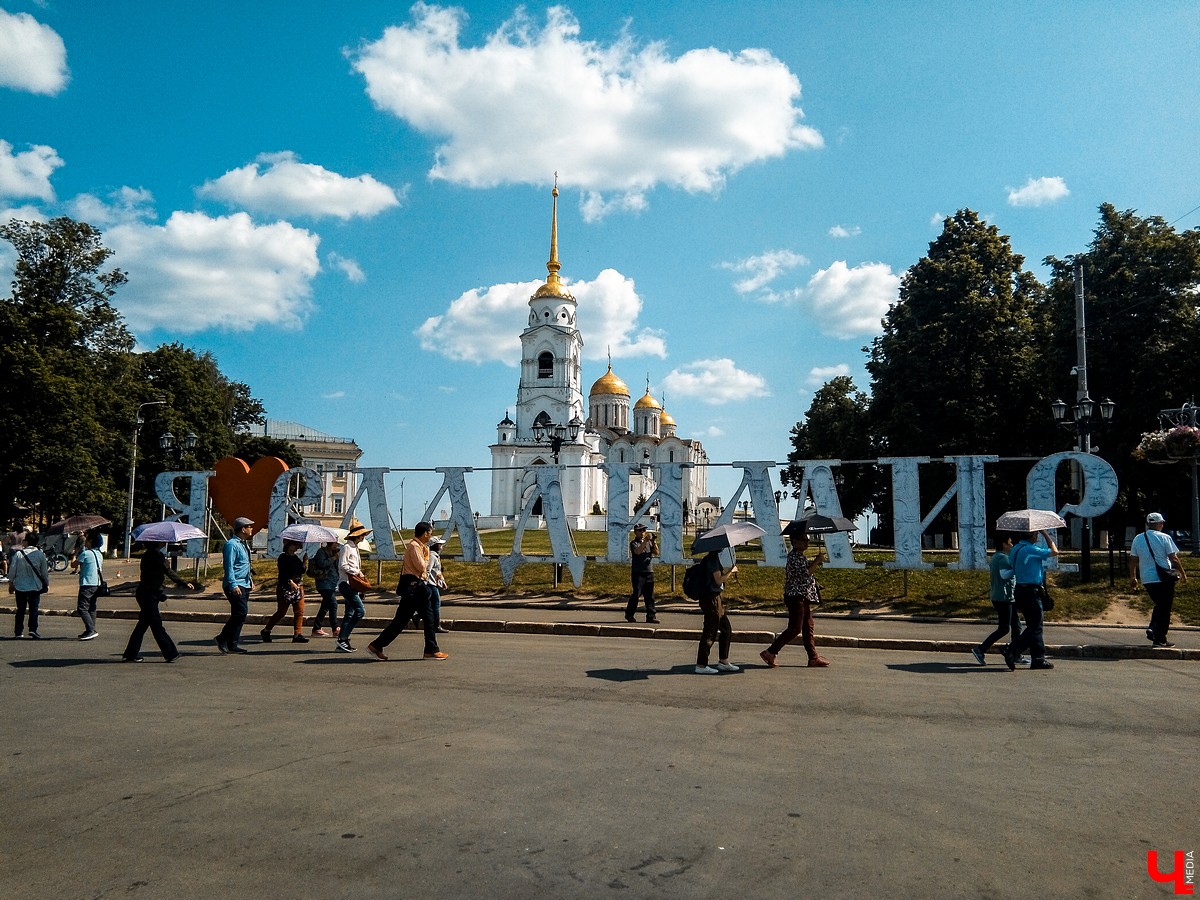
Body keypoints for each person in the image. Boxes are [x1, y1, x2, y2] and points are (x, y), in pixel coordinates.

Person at [367, 521, 448, 661]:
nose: (430, 537)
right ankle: (431, 650)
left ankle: (377, 645)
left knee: (401, 621)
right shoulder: (414, 546)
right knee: (426, 619)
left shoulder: (420, 547)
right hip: (416, 589)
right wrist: (426, 555)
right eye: (430, 533)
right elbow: (422, 567)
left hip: (415, 589)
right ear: (424, 533)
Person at [760, 528, 829, 668]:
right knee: (795, 628)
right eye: (804, 539)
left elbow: (805, 575)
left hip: (803, 596)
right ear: (795, 541)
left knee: (808, 627)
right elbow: (804, 575)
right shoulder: (794, 557)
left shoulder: (800, 556)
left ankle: (813, 657)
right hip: (796, 597)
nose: (807, 542)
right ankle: (770, 652)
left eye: (807, 539)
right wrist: (816, 561)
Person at [122, 541, 195, 662]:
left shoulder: (156, 555)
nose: (164, 541)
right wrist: (167, 568)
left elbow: (166, 573)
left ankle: (131, 653)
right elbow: (160, 573)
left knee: (143, 625)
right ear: (155, 542)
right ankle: (170, 653)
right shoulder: (151, 556)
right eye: (161, 540)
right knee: (156, 625)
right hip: (148, 594)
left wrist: (182, 581)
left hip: (151, 593)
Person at [1129, 512, 1187, 648]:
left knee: (1160, 605)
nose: (1162, 525)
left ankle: (1154, 630)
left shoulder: (1138, 538)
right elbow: (1174, 558)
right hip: (1164, 578)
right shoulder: (1164, 537)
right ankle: (1160, 637)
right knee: (1165, 608)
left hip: (1147, 578)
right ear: (1158, 524)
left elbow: (1132, 559)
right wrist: (1183, 573)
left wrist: (1133, 577)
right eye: (1161, 523)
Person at [1004, 530, 1060, 671]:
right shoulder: (1031, 549)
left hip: (1020, 590)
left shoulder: (1015, 548)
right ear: (1032, 536)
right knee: (1035, 627)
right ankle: (1012, 650)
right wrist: (1046, 534)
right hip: (1031, 591)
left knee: (1033, 625)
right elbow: (1054, 552)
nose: (1037, 537)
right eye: (1036, 535)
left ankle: (1038, 659)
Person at [971, 532, 1023, 665]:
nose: (1012, 545)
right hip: (1003, 598)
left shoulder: (996, 557)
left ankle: (1016, 654)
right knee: (1004, 628)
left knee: (1016, 626)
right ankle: (981, 649)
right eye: (1010, 542)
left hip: (1004, 597)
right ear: (1004, 544)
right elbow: (1004, 575)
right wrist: (1017, 569)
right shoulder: (1002, 558)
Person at [694, 549, 739, 674]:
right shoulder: (712, 560)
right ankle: (701, 664)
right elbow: (719, 580)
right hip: (711, 599)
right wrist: (731, 571)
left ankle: (723, 660)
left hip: (714, 598)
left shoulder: (711, 559)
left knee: (726, 629)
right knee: (710, 631)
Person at [217, 516, 255, 654]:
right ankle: (222, 638)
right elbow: (229, 567)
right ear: (242, 529)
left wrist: (250, 580)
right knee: (241, 612)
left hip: (244, 583)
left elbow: (244, 565)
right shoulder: (231, 545)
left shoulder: (244, 544)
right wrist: (233, 585)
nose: (251, 529)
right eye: (249, 526)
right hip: (235, 584)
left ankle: (232, 644)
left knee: (239, 614)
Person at [261, 539, 309, 643]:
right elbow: (283, 573)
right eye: (295, 544)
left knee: (299, 611)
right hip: (285, 588)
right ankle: (267, 630)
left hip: (298, 587)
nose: (297, 546)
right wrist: (290, 582)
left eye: (298, 544)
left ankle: (297, 634)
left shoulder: (296, 558)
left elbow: (301, 571)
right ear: (288, 545)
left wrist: (304, 561)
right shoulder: (283, 557)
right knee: (281, 612)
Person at [336, 523, 371, 652]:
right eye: (362, 535)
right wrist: (356, 572)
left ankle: (342, 640)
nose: (363, 537)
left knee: (349, 614)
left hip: (352, 584)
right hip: (346, 584)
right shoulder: (346, 548)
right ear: (356, 535)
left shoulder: (354, 548)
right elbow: (342, 565)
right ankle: (343, 638)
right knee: (360, 611)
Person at [10, 532, 48, 639]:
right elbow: (44, 572)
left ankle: (18, 632)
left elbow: (12, 570)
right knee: (34, 609)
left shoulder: (18, 554)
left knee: (20, 610)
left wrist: (11, 582)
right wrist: (46, 584)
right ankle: (33, 629)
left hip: (20, 586)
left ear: (26, 541)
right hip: (35, 586)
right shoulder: (40, 555)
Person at [624, 523, 659, 624]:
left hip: (649, 571)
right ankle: (629, 614)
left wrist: (654, 541)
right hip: (638, 572)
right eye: (640, 531)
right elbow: (637, 552)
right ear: (635, 532)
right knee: (636, 594)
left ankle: (651, 616)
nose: (642, 533)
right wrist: (646, 541)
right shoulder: (634, 543)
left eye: (643, 530)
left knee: (650, 596)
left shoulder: (648, 542)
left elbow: (656, 552)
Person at [75, 530, 105, 641]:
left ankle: (91, 630)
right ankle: (90, 629)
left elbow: (74, 564)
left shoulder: (86, 553)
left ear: (91, 541)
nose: (85, 541)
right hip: (97, 583)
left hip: (87, 584)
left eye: (87, 539)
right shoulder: (99, 554)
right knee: (91, 607)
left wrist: (75, 553)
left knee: (82, 608)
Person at [309, 539, 340, 637]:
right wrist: (333, 558)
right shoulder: (321, 552)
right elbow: (321, 564)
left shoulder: (336, 552)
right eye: (335, 542)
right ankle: (335, 628)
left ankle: (316, 628)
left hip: (333, 583)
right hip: (323, 582)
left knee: (325, 606)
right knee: (333, 604)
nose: (337, 544)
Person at [426, 537, 449, 634]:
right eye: (439, 544)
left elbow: (437, 572)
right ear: (435, 545)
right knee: (436, 604)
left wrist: (443, 582)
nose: (441, 546)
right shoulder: (432, 556)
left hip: (433, 583)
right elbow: (427, 570)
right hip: (430, 584)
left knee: (430, 605)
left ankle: (418, 616)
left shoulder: (435, 556)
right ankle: (436, 626)